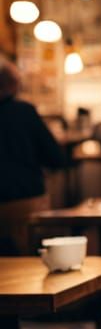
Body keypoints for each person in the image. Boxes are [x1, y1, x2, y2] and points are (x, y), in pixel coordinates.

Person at [0, 56, 65, 254]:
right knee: (30, 256)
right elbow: (54, 157)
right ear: (14, 85)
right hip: (25, 199)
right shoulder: (25, 112)